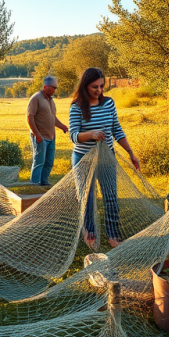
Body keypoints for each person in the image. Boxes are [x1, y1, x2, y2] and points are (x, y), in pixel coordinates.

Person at [69, 67, 140, 249]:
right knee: (87, 196)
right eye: (95, 87)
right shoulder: (76, 106)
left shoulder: (108, 103)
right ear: (85, 86)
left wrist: (130, 152)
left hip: (107, 157)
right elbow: (74, 135)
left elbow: (117, 129)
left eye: (102, 86)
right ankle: (89, 232)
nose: (99, 91)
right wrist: (91, 134)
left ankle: (113, 236)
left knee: (110, 196)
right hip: (83, 158)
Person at [26, 75, 68, 186]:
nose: (55, 90)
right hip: (40, 137)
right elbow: (30, 117)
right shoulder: (36, 98)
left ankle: (44, 183)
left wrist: (62, 126)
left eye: (56, 88)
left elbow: (52, 117)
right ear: (45, 87)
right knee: (39, 162)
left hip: (51, 137)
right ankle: (35, 185)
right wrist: (37, 135)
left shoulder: (51, 100)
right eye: (53, 87)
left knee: (49, 162)